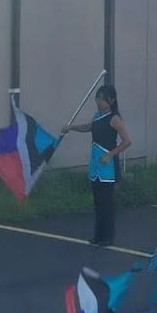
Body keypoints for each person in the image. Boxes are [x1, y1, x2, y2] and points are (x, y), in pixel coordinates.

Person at [61, 84, 132, 246]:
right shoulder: (97, 115)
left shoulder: (115, 119)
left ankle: (108, 237)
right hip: (96, 163)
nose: (99, 102)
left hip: (107, 166)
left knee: (106, 203)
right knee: (98, 202)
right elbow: (88, 127)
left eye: (102, 99)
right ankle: (98, 236)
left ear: (111, 100)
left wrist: (110, 155)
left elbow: (127, 141)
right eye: (97, 98)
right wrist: (70, 128)